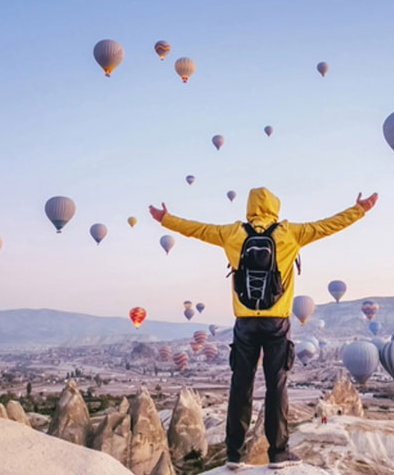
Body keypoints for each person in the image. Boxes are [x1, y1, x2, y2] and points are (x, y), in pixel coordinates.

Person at [150, 187, 377, 470]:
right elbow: (328, 225)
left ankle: (234, 455)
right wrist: (359, 209)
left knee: (240, 388)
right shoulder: (290, 232)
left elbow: (196, 229)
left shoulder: (233, 233)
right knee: (276, 388)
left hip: (245, 323)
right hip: (277, 324)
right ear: (275, 208)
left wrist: (165, 219)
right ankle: (278, 456)